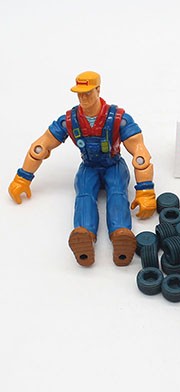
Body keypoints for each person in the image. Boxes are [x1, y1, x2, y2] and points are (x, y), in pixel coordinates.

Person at [8, 71, 156, 267]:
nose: (83, 98)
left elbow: (140, 153)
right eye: (80, 94)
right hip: (89, 167)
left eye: (88, 93)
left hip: (113, 166)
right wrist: (23, 177)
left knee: (117, 194)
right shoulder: (70, 120)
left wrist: (145, 191)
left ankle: (121, 235)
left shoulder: (119, 118)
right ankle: (84, 235)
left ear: (98, 90)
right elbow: (41, 146)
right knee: (84, 195)